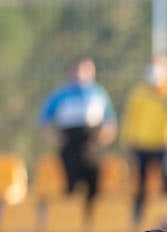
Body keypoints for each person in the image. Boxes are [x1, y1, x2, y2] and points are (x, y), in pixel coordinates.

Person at [122, 54, 167, 218]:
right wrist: (128, 140)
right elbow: (131, 118)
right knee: (140, 183)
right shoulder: (139, 92)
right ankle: (138, 217)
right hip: (141, 144)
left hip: (166, 145)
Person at [38, 58, 117, 204]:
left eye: (85, 70)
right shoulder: (61, 95)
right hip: (70, 146)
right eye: (78, 70)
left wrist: (103, 138)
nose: (81, 74)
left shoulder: (99, 94)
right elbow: (44, 120)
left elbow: (110, 121)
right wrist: (55, 138)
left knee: (94, 188)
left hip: (92, 146)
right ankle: (70, 219)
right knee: (70, 187)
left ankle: (93, 222)